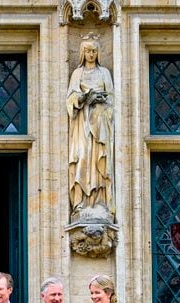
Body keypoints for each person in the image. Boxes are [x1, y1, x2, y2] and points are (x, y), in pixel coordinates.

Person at [67, 33, 115, 219]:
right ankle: (81, 203)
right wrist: (84, 98)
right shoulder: (77, 74)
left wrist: (101, 102)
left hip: (100, 126)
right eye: (87, 51)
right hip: (82, 125)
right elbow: (70, 99)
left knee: (99, 163)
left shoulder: (104, 73)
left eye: (94, 51)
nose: (91, 54)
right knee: (83, 159)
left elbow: (111, 98)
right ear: (82, 52)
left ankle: (100, 202)